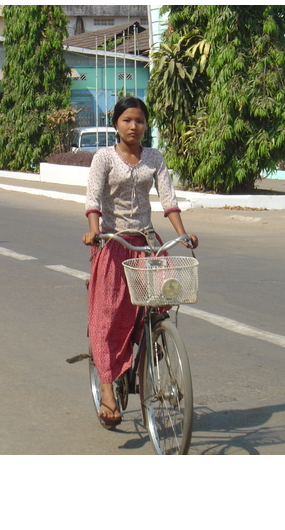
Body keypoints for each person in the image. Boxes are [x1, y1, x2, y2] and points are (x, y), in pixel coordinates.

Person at [82, 96, 198, 428]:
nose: (134, 127)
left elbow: (169, 200)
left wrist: (184, 233)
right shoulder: (103, 158)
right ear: (116, 124)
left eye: (140, 121)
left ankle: (152, 346)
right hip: (113, 243)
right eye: (127, 120)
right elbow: (93, 199)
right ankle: (107, 390)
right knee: (107, 319)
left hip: (147, 244)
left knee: (159, 306)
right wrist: (94, 232)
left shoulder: (154, 157)